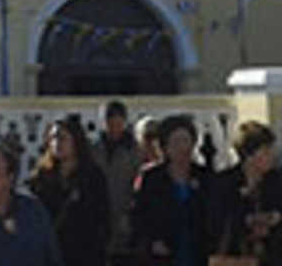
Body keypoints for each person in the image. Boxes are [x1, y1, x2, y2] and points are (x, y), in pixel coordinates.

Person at [209, 121, 282, 266]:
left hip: (272, 258)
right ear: (249, 155)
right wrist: (247, 220)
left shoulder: (278, 181)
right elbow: (216, 221)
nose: (273, 156)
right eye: (266, 151)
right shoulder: (224, 183)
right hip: (237, 258)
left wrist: (276, 218)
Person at [28, 115, 110, 266]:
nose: (57, 143)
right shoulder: (41, 177)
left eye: (62, 138)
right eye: (53, 138)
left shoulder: (92, 177)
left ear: (76, 141)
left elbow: (102, 219)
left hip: (85, 254)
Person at [131, 114, 211, 266]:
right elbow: (139, 215)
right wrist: (151, 241)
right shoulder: (151, 178)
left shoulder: (205, 176)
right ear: (165, 146)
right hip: (163, 254)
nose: (182, 147)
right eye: (175, 142)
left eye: (186, 140)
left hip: (198, 252)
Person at [92, 100, 142, 266]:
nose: (114, 128)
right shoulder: (93, 149)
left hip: (125, 218)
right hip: (98, 218)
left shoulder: (135, 151)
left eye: (118, 123)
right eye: (110, 123)